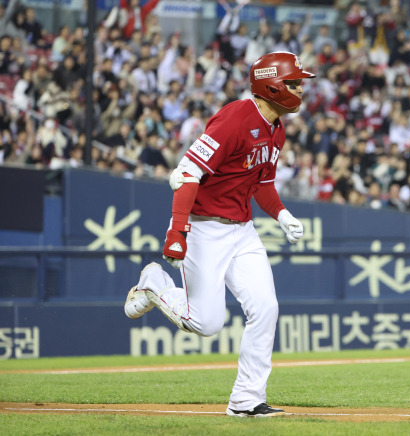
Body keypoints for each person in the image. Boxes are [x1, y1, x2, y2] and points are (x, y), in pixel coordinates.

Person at [124, 51, 315, 417]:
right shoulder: (235, 119)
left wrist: (281, 214)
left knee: (266, 308)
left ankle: (246, 399)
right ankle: (154, 285)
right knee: (206, 323)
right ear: (272, 84)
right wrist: (177, 230)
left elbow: (263, 184)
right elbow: (186, 173)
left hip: (242, 231)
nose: (300, 89)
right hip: (203, 228)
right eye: (294, 82)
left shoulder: (277, 128)